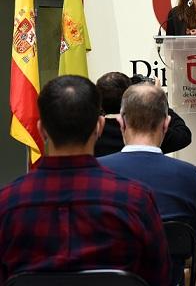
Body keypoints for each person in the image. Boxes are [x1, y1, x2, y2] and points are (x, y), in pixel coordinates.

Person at [0, 75, 171, 286]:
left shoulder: (7, 204)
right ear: (99, 126)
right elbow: (160, 279)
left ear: (41, 129)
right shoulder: (135, 200)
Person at [99, 83, 196, 286]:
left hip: (114, 274)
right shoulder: (188, 174)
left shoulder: (97, 170)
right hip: (167, 274)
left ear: (121, 122)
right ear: (166, 123)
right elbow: (192, 236)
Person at [94, 71, 192, 156]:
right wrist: (158, 99)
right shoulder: (146, 128)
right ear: (130, 96)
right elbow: (183, 135)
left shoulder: (90, 133)